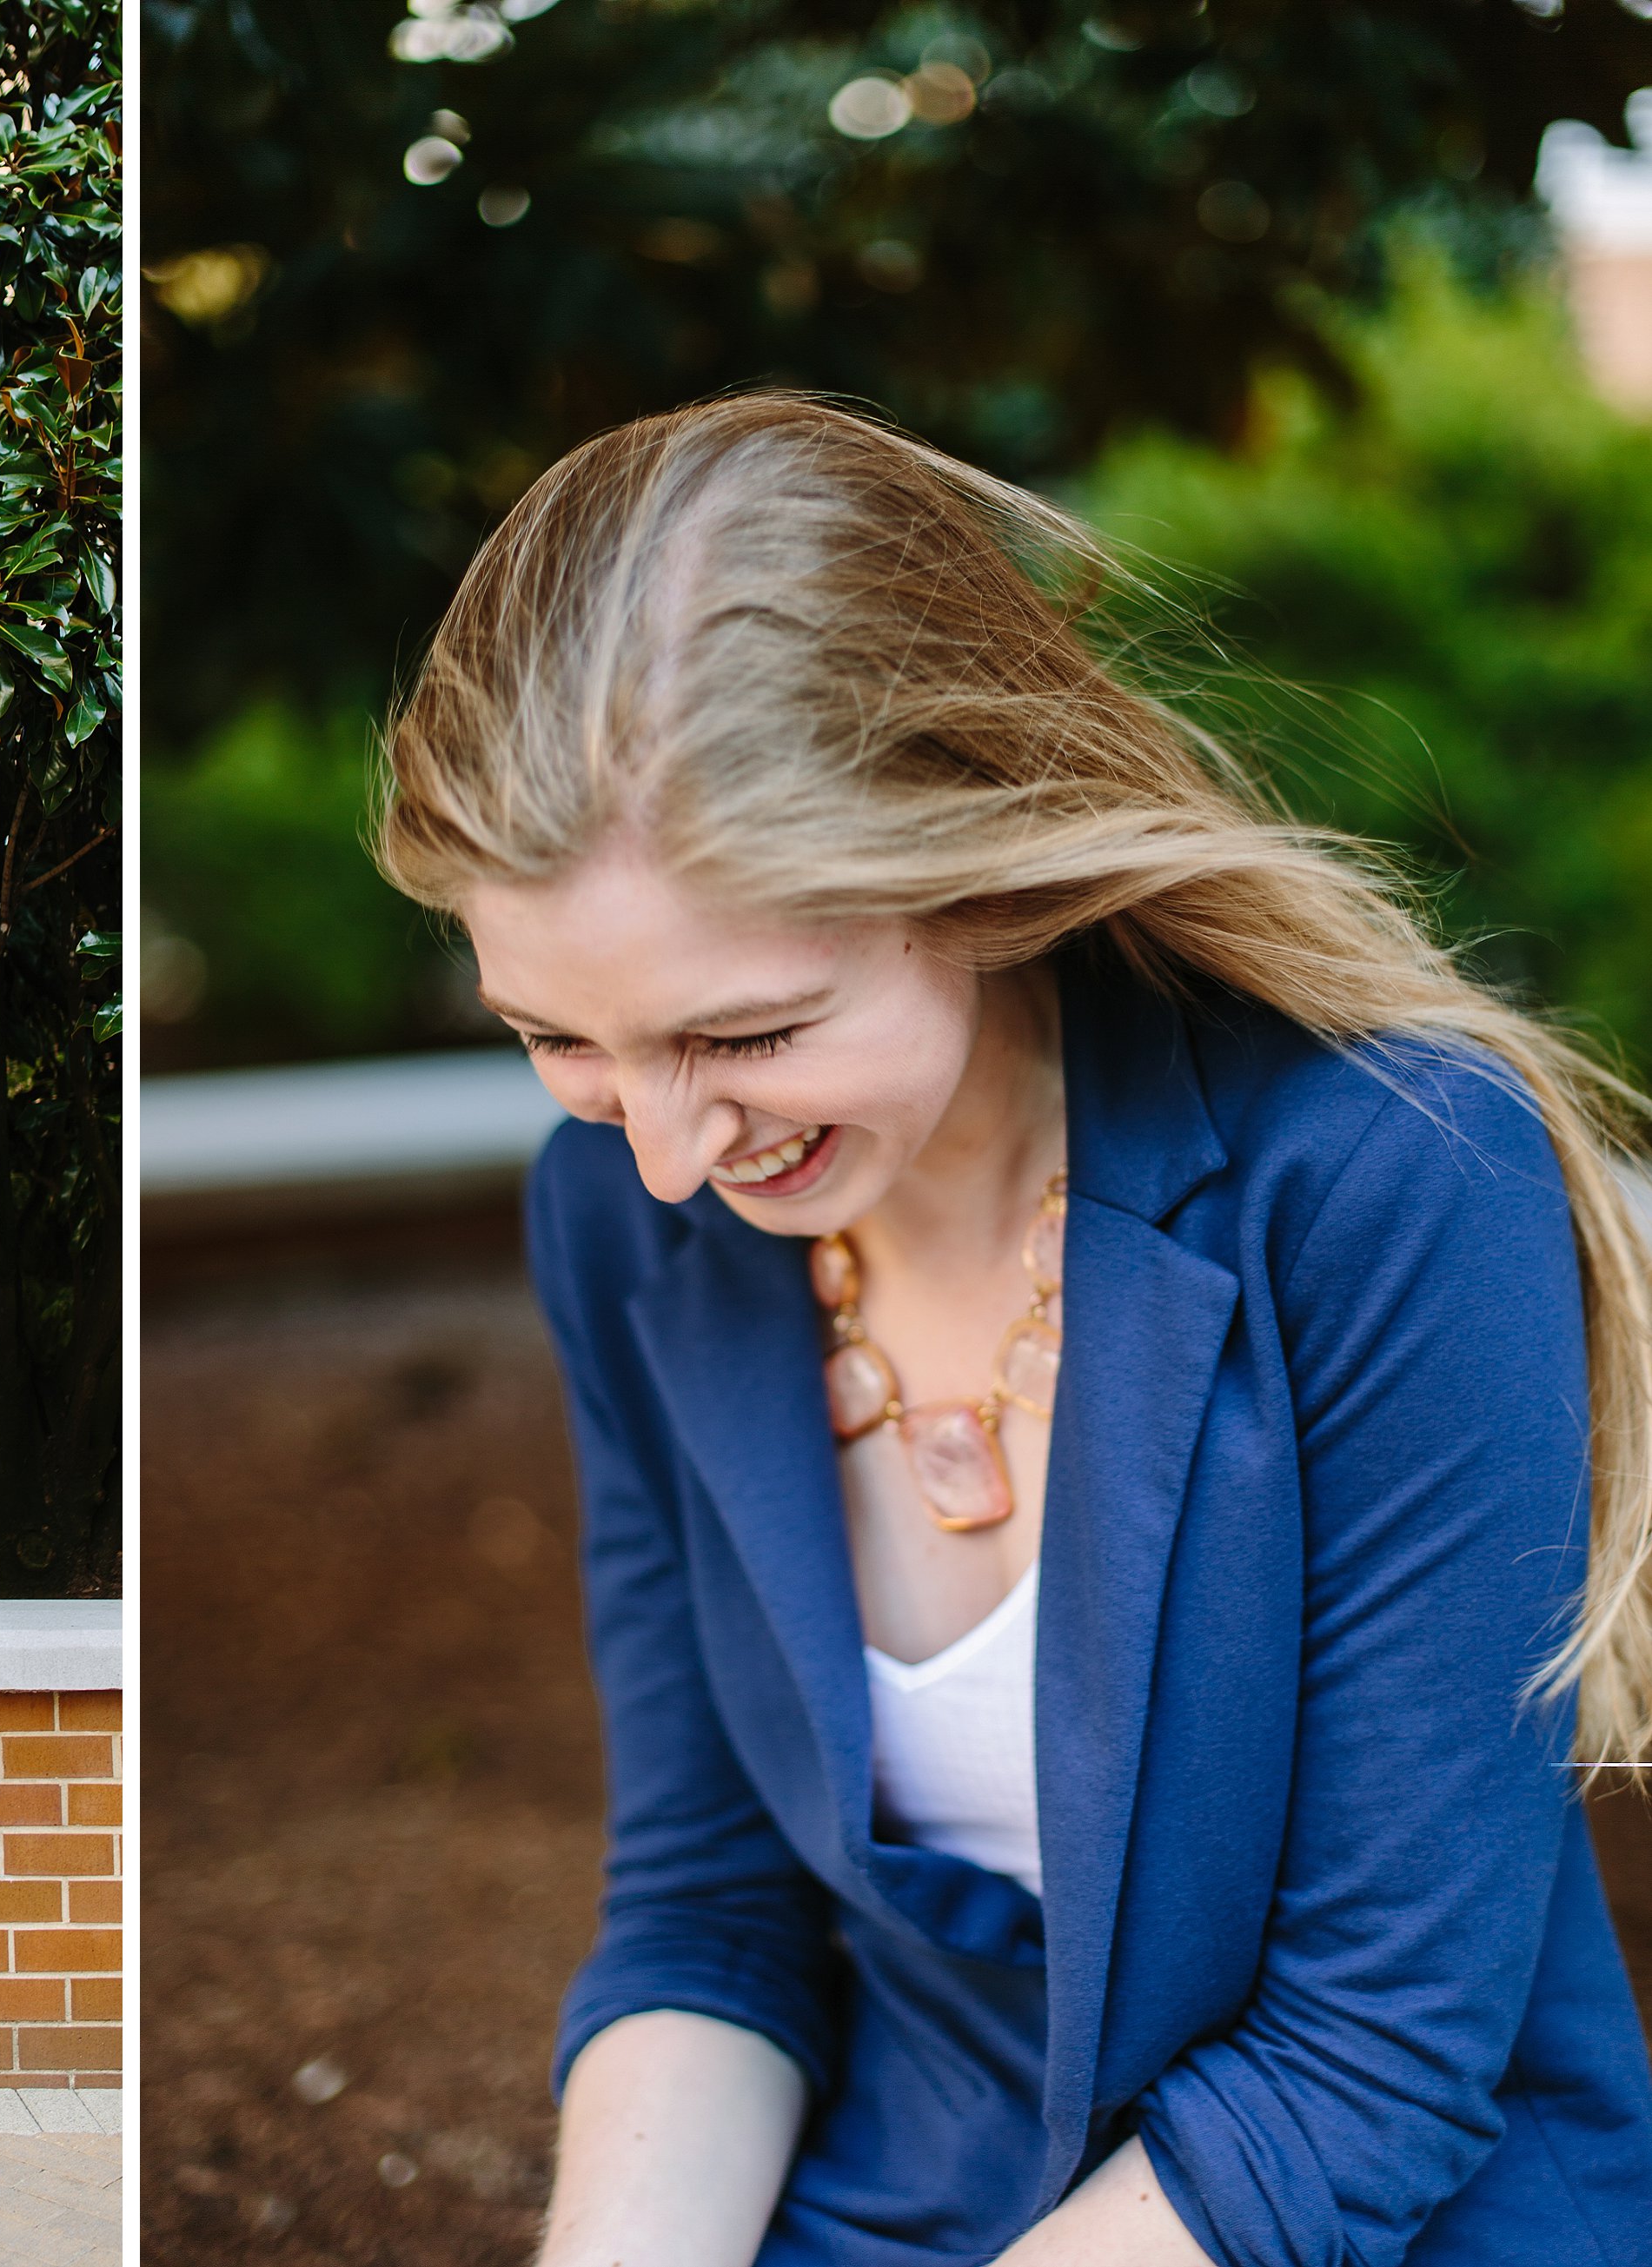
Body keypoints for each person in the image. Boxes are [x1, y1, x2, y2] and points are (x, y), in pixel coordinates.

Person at [375, 394, 1652, 2264]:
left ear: (977, 868)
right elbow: (711, 1908)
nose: (659, 1155)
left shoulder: (1393, 1172)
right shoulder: (617, 1219)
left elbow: (1373, 2056)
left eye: (742, 1032)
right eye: (557, 1036)